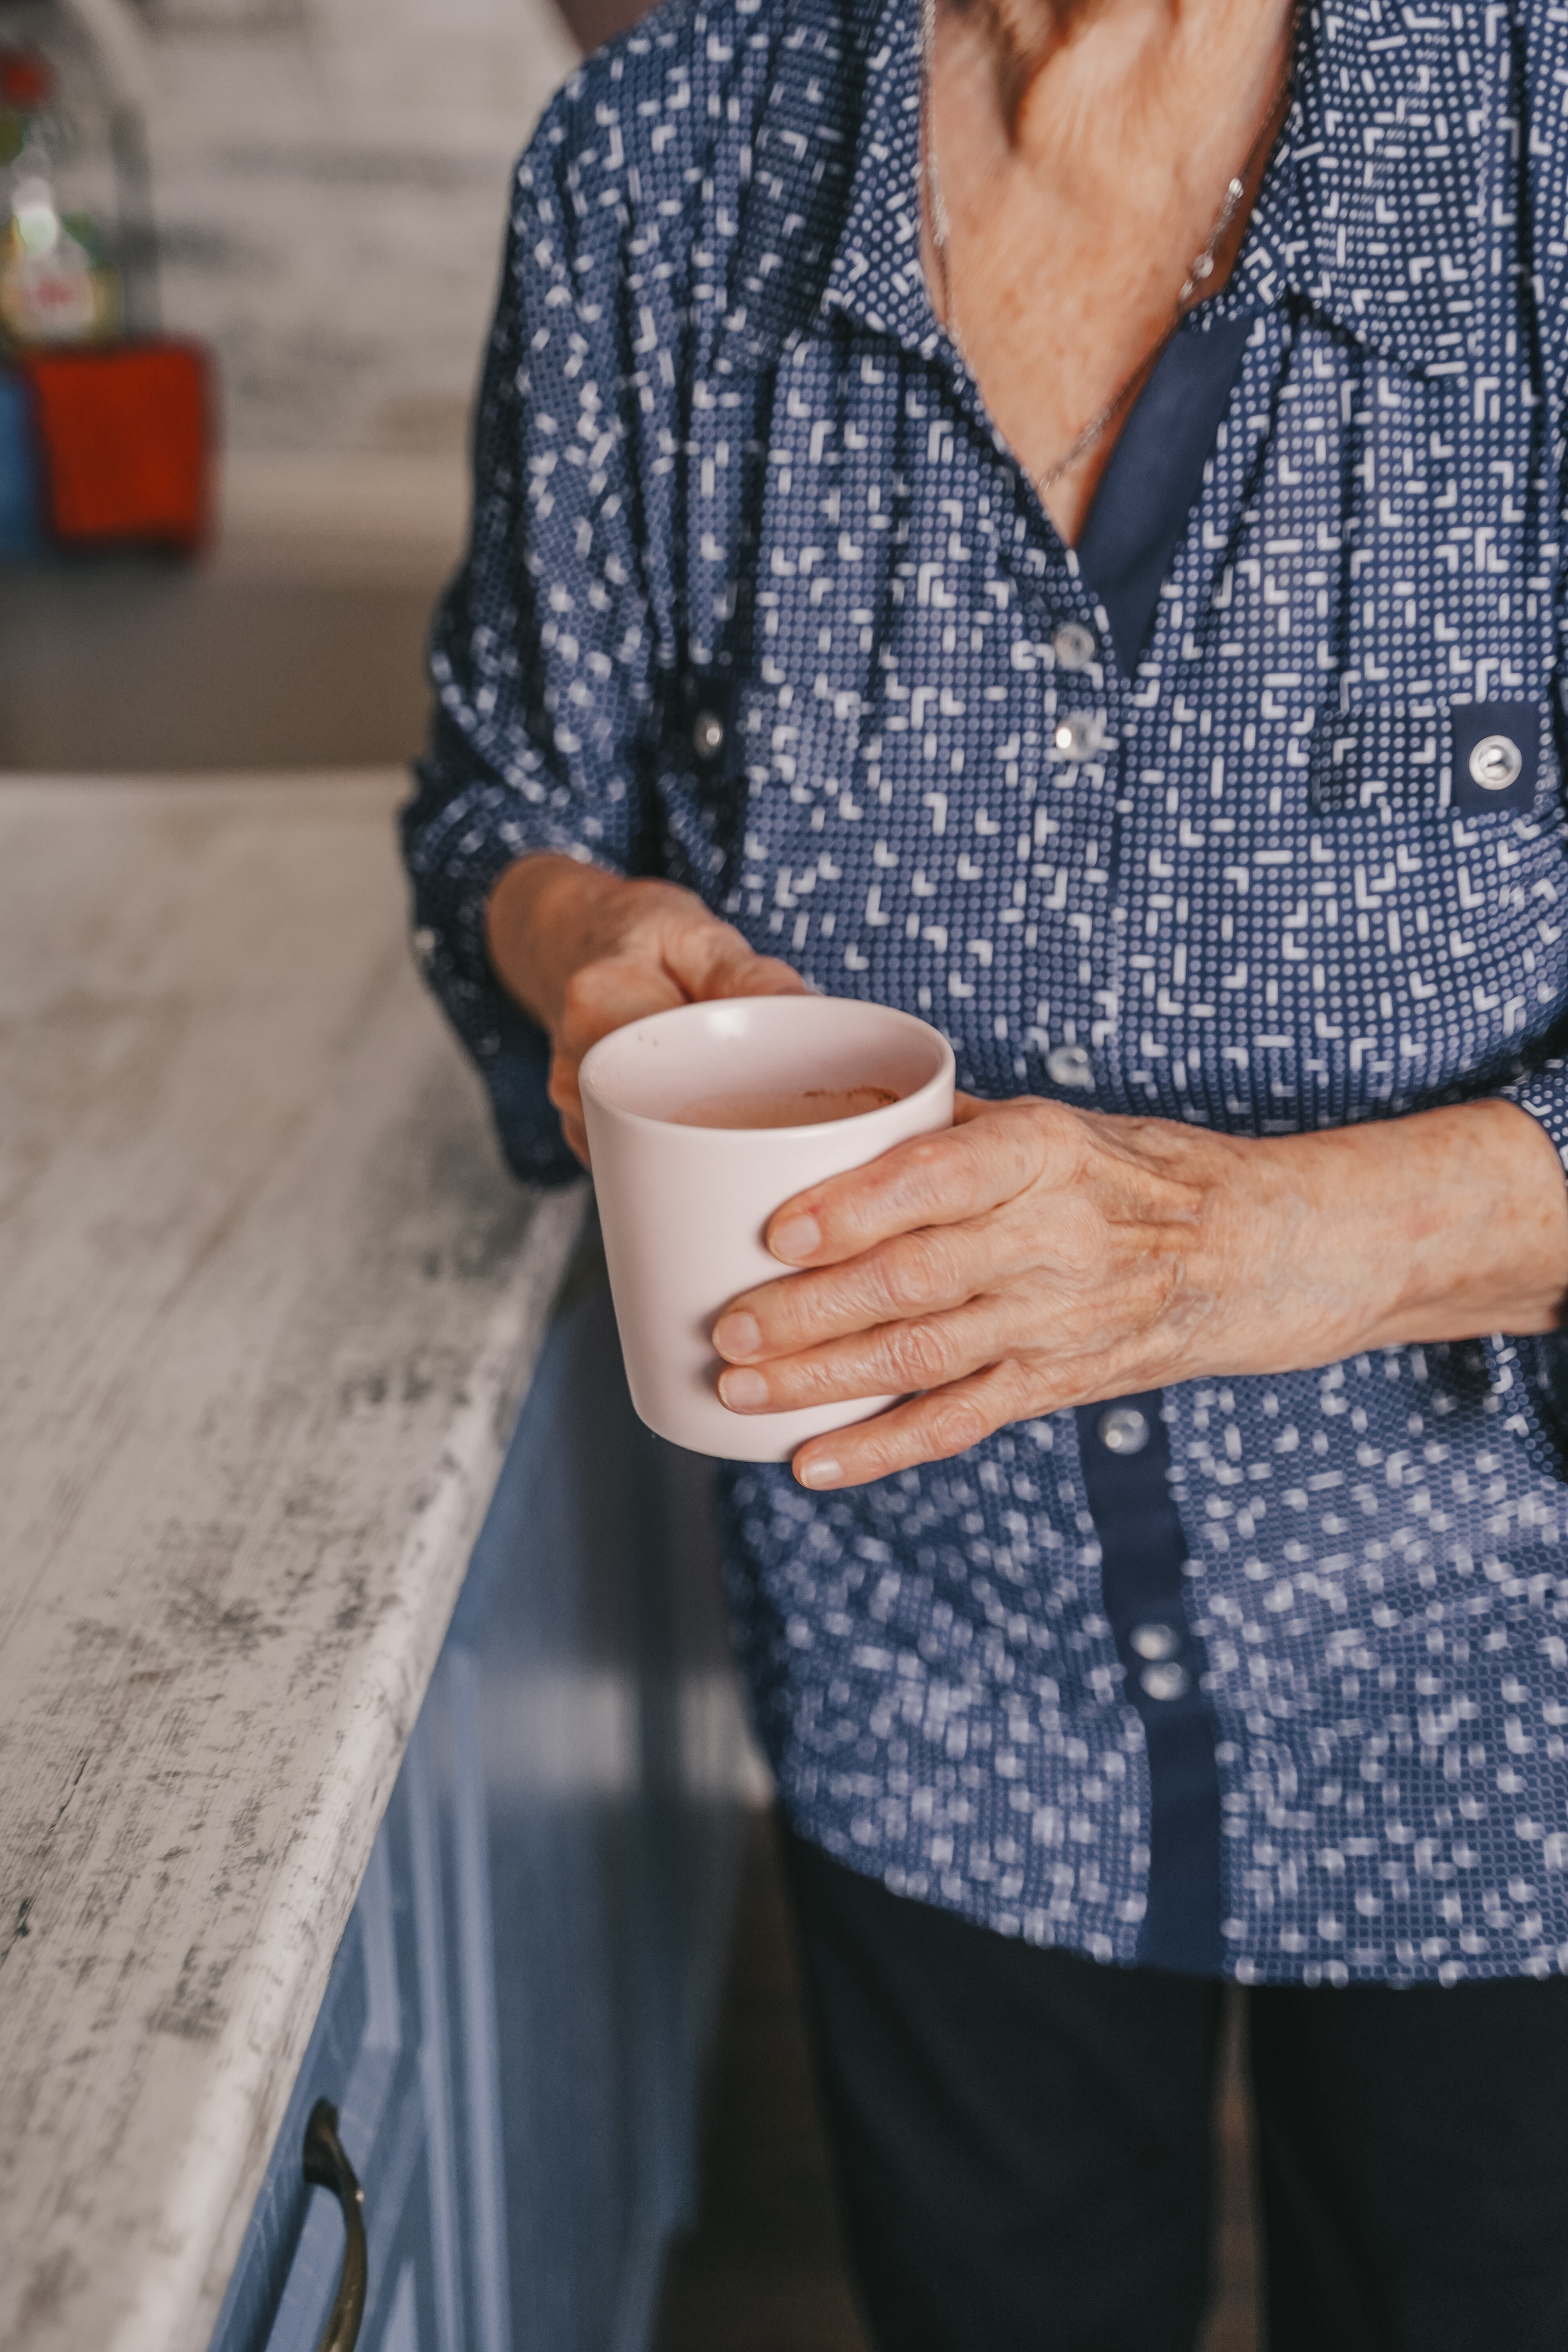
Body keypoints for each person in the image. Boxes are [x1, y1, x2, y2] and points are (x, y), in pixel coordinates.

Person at [402, 0, 1568, 2341]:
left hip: (1516, 1679)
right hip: (930, 1656)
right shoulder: (656, 169)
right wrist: (585, 940)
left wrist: (1247, 1250)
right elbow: (497, 809)